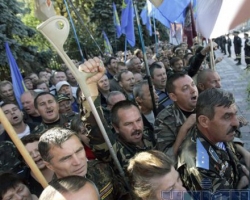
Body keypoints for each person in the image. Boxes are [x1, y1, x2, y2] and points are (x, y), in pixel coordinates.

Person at [78, 57, 155, 171]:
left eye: (138, 120)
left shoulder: (150, 135)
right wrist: (89, 85)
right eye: (128, 124)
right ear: (116, 128)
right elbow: (95, 125)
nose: (136, 127)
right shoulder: (114, 150)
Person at [178, 88, 249, 194]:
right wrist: (240, 187)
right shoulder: (198, 162)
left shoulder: (218, 133)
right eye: (227, 116)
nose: (236, 123)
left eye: (235, 114)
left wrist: (242, 173)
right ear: (204, 121)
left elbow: (232, 157)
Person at [38, 127, 130, 199]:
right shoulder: (54, 197)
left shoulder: (101, 169)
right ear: (49, 166)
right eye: (66, 158)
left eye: (79, 151)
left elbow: (123, 196)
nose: (77, 162)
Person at [154, 72, 198, 161]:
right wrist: (184, 130)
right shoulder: (164, 119)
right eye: (185, 88)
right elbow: (166, 159)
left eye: (193, 84)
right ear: (173, 97)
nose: (193, 90)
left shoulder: (207, 106)